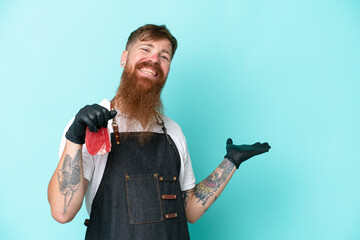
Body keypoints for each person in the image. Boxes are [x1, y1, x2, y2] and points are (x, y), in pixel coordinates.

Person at [47, 24, 271, 240]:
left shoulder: (173, 132)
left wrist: (230, 161)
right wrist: (75, 138)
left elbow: (190, 211)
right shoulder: (92, 126)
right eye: (145, 49)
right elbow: (62, 212)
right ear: (124, 58)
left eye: (164, 57)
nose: (154, 60)